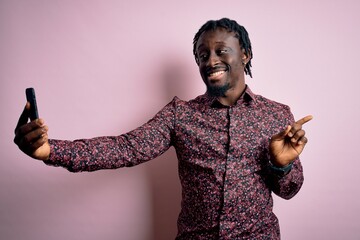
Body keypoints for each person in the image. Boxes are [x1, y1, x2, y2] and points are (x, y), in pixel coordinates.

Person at [14, 18, 312, 239]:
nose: (211, 60)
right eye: (202, 54)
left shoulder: (276, 115)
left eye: (222, 50)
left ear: (244, 55)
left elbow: (290, 190)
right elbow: (124, 148)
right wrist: (50, 150)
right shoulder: (179, 115)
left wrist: (280, 165)